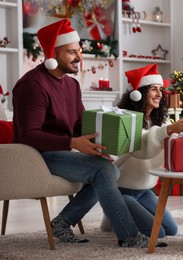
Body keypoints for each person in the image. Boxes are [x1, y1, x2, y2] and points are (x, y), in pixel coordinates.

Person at [12, 19, 159, 248]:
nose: (78, 57)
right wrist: (73, 142)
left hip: (60, 151)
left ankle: (62, 222)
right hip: (35, 157)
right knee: (103, 170)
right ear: (53, 53)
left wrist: (101, 146)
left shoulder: (72, 85)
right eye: (71, 52)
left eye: (79, 50)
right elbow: (29, 135)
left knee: (109, 169)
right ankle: (129, 236)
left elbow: (82, 125)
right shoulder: (33, 85)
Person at [100, 64, 183, 238]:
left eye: (160, 90)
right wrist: (169, 130)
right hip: (123, 189)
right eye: (153, 89)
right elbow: (141, 147)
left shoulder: (161, 121)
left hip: (144, 190)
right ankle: (115, 212)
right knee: (158, 233)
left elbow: (167, 143)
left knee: (171, 230)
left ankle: (118, 214)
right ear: (140, 93)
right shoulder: (125, 119)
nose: (159, 94)